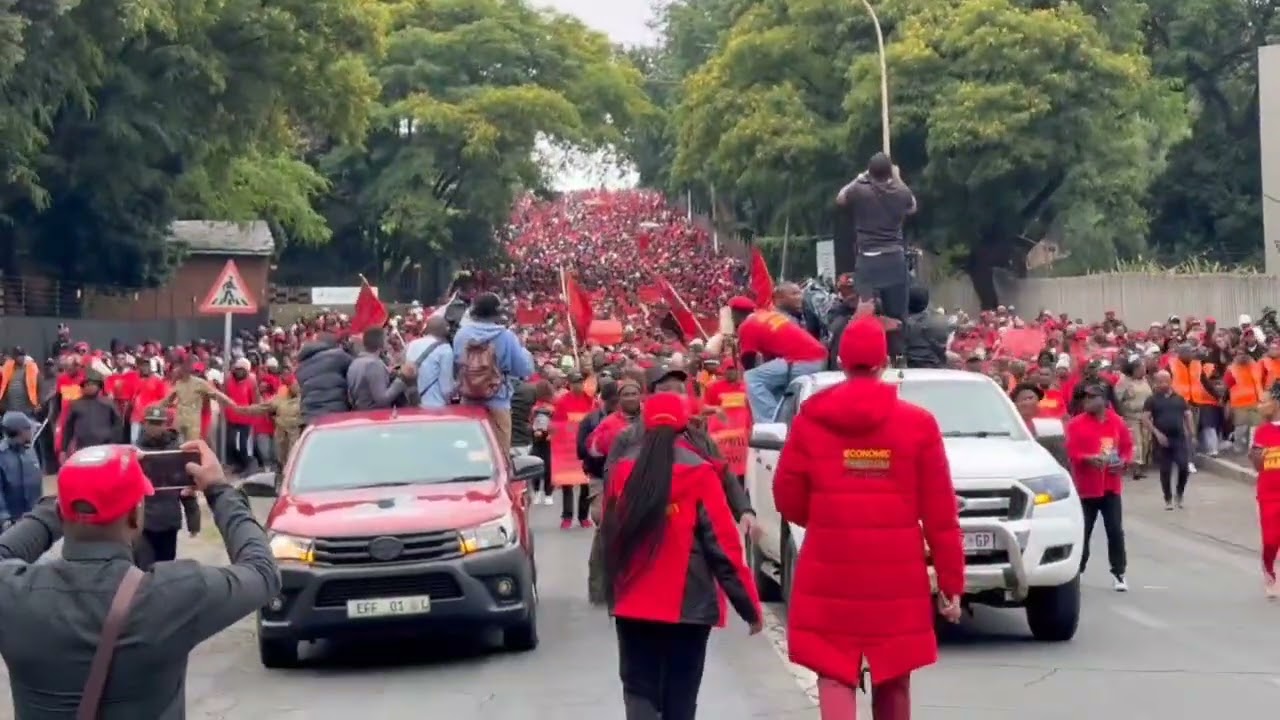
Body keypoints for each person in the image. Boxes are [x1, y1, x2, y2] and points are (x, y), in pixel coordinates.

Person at [772, 313, 964, 720]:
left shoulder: (810, 420)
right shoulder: (918, 424)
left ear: (840, 361)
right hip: (896, 572)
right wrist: (951, 581)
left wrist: (826, 518)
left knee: (832, 670)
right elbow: (941, 513)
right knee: (893, 674)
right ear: (884, 361)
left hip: (829, 568)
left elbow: (787, 497)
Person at [0, 440, 281, 717]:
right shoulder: (175, 593)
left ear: (61, 513)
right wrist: (219, 491)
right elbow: (262, 571)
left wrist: (68, 498)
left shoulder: (12, 592)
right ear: (135, 516)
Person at [603, 392, 763, 720]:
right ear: (685, 423)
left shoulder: (622, 470)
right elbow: (724, 548)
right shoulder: (700, 472)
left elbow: (608, 534)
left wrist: (607, 590)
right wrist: (748, 606)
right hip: (688, 607)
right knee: (681, 696)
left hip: (633, 603)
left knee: (639, 691)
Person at [835, 152, 918, 357]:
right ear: (890, 172)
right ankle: (898, 356)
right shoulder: (900, 192)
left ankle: (856, 351)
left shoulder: (860, 191)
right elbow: (912, 206)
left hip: (868, 259)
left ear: (870, 172)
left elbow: (840, 198)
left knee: (864, 308)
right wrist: (897, 177)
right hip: (894, 259)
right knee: (898, 315)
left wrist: (859, 177)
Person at [1065, 382, 1133, 591]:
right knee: (1083, 532)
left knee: (1115, 531)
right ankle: (1078, 571)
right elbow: (1071, 452)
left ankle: (1119, 573)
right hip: (1086, 488)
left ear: (1104, 400)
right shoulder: (1076, 424)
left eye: (1091, 397)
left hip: (1110, 487)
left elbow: (1127, 448)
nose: (1086, 401)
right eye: (1084, 397)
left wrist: (1123, 461)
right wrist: (1087, 459)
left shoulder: (1117, 422)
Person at [452, 292, 535, 452]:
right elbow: (523, 369)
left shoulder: (461, 335)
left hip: (468, 400)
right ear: (497, 313)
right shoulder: (506, 336)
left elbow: (456, 365)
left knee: (468, 450)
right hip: (498, 400)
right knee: (500, 454)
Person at [732, 284, 829, 422]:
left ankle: (772, 426)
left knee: (751, 379)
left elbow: (749, 362)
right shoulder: (765, 316)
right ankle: (784, 422)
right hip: (817, 358)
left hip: (802, 360)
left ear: (735, 316)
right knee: (773, 389)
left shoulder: (746, 326)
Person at [133, 406, 200, 569]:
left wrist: (194, 521)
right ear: (144, 424)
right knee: (143, 568)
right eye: (151, 423)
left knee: (166, 567)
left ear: (165, 425)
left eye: (158, 423)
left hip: (168, 519)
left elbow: (186, 487)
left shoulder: (177, 451)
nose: (154, 427)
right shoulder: (135, 452)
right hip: (143, 522)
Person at [1142, 370, 1195, 510]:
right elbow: (1145, 419)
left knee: (1184, 466)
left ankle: (1179, 494)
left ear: (1171, 381)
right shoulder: (1152, 400)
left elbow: (1187, 415)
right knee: (1165, 470)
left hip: (1179, 437)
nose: (1163, 384)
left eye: (1165, 381)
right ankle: (1168, 498)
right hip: (1162, 439)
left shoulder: (1179, 398)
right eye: (1159, 382)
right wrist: (1157, 433)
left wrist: (1191, 433)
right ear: (1155, 383)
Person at [1250, 386, 1280, 596]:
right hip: (1269, 494)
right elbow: (1257, 466)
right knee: (1271, 540)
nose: (1260, 405)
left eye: (1264, 401)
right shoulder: (1261, 431)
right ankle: (1268, 569)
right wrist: (1256, 457)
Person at [347, 327, 416, 410]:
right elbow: (382, 399)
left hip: (360, 413)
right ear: (381, 343)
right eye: (386, 339)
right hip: (375, 416)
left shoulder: (355, 362)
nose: (389, 342)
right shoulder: (374, 364)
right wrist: (402, 379)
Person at [61, 372, 123, 461]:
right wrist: (63, 449)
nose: (89, 387)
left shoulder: (108, 404)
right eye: (86, 384)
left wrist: (114, 444)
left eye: (92, 384)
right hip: (82, 448)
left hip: (105, 447)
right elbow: (68, 428)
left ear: (99, 386)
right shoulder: (75, 404)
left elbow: (118, 425)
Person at [295, 332, 353, 425]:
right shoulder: (338, 356)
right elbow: (356, 367)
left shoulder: (301, 366)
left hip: (310, 415)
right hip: (336, 412)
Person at [0, 412, 41, 527]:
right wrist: (4, 519)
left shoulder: (31, 451)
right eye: (28, 429)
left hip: (33, 518)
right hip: (10, 524)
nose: (32, 432)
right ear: (19, 432)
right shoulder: (1, 456)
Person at [404, 315, 455, 408]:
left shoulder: (412, 345)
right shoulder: (445, 349)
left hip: (413, 403)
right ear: (445, 331)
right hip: (436, 406)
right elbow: (446, 389)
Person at [1115, 358, 1152, 480]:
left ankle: (1142, 464)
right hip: (1131, 417)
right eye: (1141, 368)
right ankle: (1135, 468)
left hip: (1146, 416)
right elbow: (1117, 400)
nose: (1144, 371)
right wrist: (1121, 414)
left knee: (1146, 441)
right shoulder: (1123, 382)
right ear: (1135, 369)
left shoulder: (1145, 381)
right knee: (1136, 443)